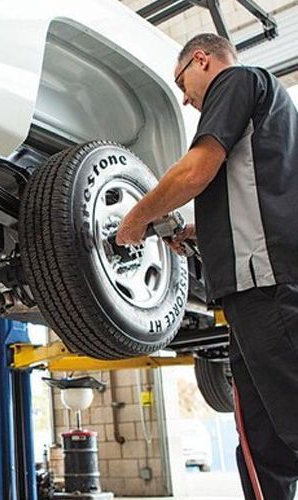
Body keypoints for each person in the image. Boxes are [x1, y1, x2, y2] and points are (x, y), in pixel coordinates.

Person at [116, 33, 298, 500]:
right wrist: (199, 230)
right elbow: (249, 189)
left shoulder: (236, 81)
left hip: (267, 284)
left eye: (182, 83)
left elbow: (197, 169)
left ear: (201, 60)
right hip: (253, 290)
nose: (184, 97)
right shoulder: (269, 109)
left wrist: (137, 218)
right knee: (260, 443)